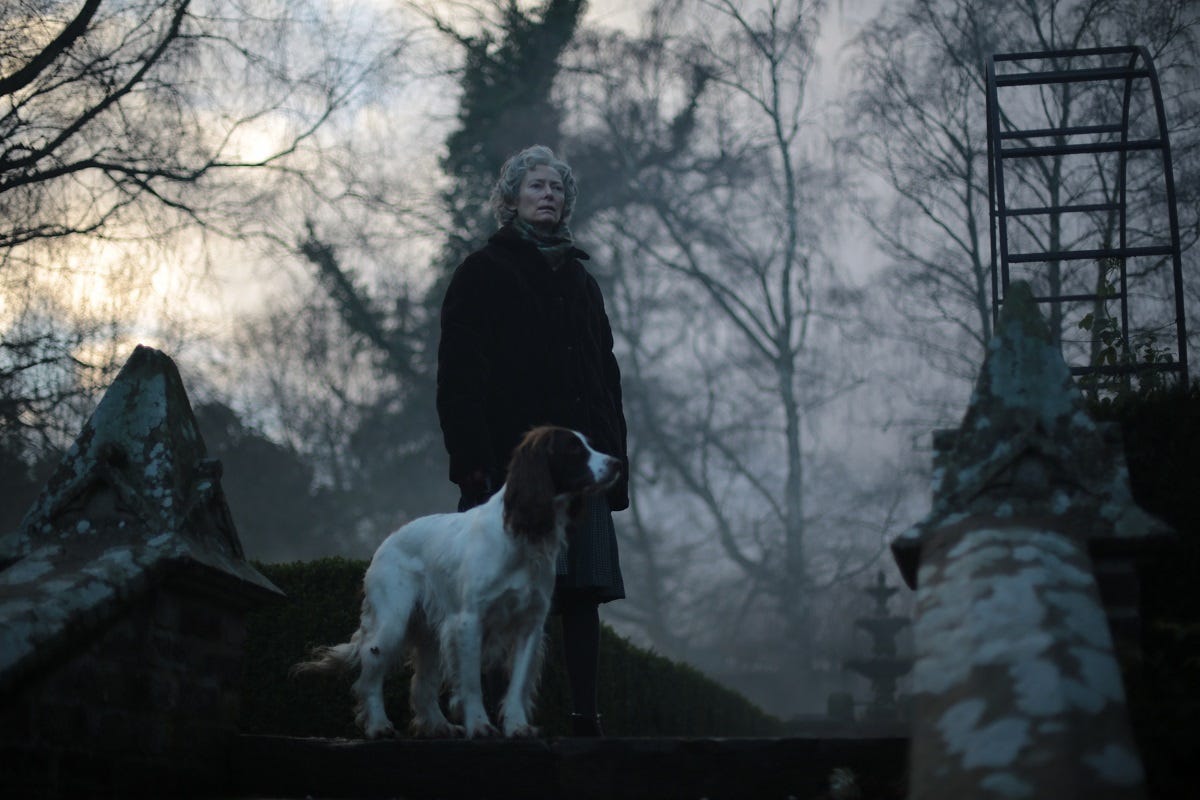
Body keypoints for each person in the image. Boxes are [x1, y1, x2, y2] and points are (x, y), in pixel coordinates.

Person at [436, 144, 629, 737]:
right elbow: (460, 376)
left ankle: (583, 717)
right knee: (492, 593)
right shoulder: (482, 272)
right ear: (511, 198)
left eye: (557, 188)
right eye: (537, 186)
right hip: (508, 472)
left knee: (582, 594)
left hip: (581, 469)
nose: (550, 195)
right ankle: (478, 714)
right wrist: (472, 463)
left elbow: (607, 376)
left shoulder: (582, 281)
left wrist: (613, 468)